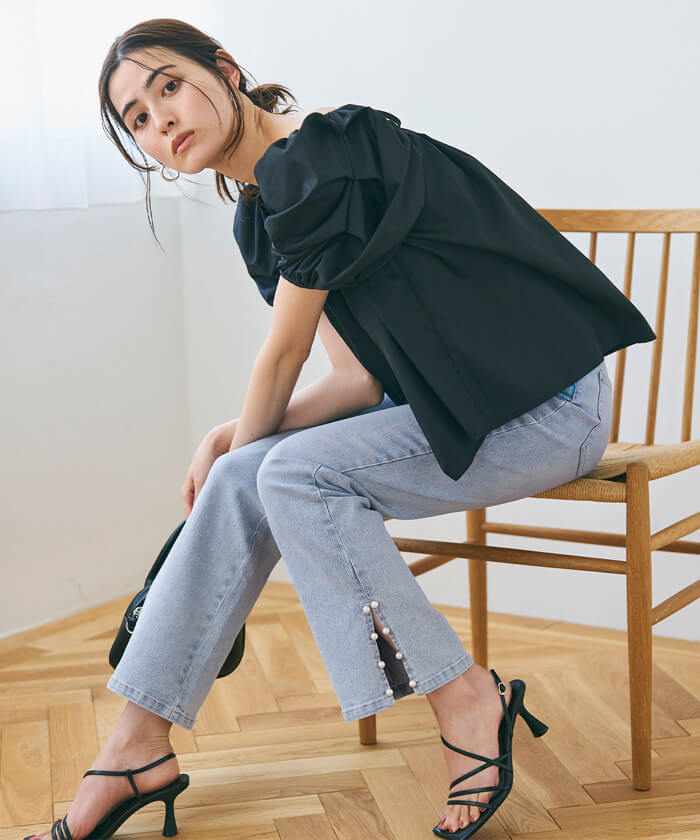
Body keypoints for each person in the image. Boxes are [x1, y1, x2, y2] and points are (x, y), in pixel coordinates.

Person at [23, 17, 655, 840]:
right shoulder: (263, 216)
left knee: (283, 473)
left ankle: (467, 698)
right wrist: (229, 438)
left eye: (169, 86)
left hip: (546, 408)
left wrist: (245, 444)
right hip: (445, 413)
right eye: (137, 117)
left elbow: (284, 356)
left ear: (226, 69)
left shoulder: (325, 152)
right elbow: (355, 379)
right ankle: (135, 747)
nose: (161, 119)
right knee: (250, 470)